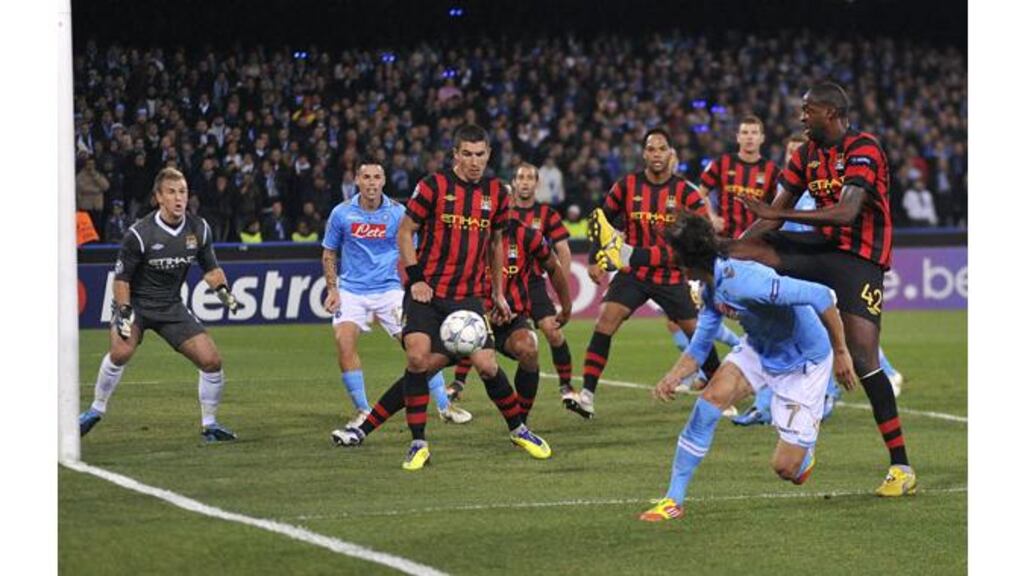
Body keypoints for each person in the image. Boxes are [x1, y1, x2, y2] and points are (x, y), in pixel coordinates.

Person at [595, 214, 856, 522]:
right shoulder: (711, 287)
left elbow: (820, 295)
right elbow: (701, 343)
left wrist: (841, 352)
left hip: (803, 361)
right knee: (708, 402)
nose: (675, 264)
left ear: (688, 263)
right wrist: (674, 376)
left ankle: (803, 452)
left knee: (786, 469)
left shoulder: (747, 282)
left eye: (677, 257)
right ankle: (673, 499)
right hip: (758, 348)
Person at [731, 82, 917, 496]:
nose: (801, 117)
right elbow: (771, 218)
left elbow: (849, 212)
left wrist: (779, 213)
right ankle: (678, 264)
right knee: (753, 249)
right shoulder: (805, 155)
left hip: (859, 259)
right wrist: (735, 253)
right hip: (821, 248)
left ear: (830, 113)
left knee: (866, 359)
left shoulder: (864, 148)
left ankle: (901, 466)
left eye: (807, 110)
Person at [330, 124, 552, 470]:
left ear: (488, 155)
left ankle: (519, 429)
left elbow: (496, 243)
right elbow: (406, 232)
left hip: (467, 296)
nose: (474, 161)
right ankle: (418, 443)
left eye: (480, 154)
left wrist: (497, 292)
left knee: (487, 364)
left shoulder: (496, 192)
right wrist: (416, 278)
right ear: (455, 155)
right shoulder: (433, 186)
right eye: (467, 154)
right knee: (418, 360)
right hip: (428, 294)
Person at [79, 167, 240, 442]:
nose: (179, 198)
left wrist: (223, 291)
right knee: (121, 352)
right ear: (158, 197)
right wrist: (125, 312)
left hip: (170, 307)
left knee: (212, 361)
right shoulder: (140, 233)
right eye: (172, 192)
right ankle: (95, 410)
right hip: (136, 305)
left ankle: (210, 425)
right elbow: (121, 279)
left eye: (183, 192)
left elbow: (211, 269)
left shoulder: (199, 229)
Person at [579, 128, 721, 418]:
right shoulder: (627, 185)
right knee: (605, 320)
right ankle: (586, 395)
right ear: (644, 153)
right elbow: (602, 220)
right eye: (651, 149)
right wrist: (594, 258)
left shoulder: (684, 191)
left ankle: (721, 390)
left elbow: (704, 230)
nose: (656, 154)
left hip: (670, 276)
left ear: (670, 153)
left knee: (698, 334)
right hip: (634, 274)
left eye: (662, 149)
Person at [321, 163, 471, 429]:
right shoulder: (341, 214)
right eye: (366, 177)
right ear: (357, 180)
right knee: (344, 342)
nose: (371, 183)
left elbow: (414, 251)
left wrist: (421, 282)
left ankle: (444, 406)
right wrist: (333, 288)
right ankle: (363, 410)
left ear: (384, 180)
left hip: (389, 290)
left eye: (376, 177)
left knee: (418, 347)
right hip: (352, 291)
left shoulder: (397, 213)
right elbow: (329, 252)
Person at [446, 163, 579, 412]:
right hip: (478, 304)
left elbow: (558, 257)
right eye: (521, 177)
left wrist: (566, 300)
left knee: (544, 337)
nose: (526, 182)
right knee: (425, 357)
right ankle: (454, 385)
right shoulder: (471, 232)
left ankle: (556, 393)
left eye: (531, 177)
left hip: (526, 288)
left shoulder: (535, 227)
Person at [698, 116, 781, 239]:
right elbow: (700, 193)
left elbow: (779, 206)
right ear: (738, 137)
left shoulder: (773, 171)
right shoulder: (721, 163)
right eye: (745, 132)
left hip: (757, 241)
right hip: (724, 238)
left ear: (762, 138)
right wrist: (712, 217)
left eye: (754, 133)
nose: (749, 137)